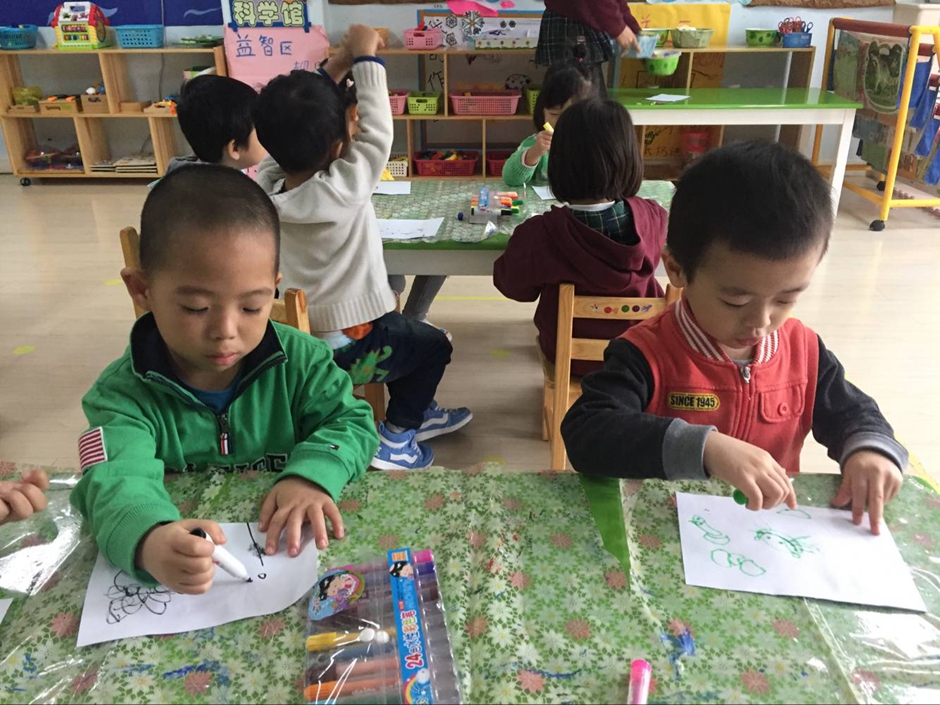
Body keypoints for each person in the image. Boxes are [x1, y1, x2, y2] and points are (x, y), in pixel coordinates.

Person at [562, 141, 907, 535]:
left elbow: (854, 413)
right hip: (664, 536)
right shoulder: (645, 353)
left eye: (785, 299)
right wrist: (706, 448)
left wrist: (870, 450)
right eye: (735, 301)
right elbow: (587, 433)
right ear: (677, 269)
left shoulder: (805, 352)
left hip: (763, 536)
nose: (760, 322)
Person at [71, 166, 379, 594]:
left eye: (252, 307)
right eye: (196, 308)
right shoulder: (121, 396)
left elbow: (352, 422)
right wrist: (148, 538)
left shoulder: (303, 362)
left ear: (273, 289)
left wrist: (312, 475)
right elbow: (111, 480)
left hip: (283, 567)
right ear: (142, 290)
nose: (225, 331)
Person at [253, 25, 471, 471]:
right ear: (337, 143)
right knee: (434, 346)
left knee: (405, 333)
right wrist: (367, 60)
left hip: (297, 342)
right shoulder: (345, 188)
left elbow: (293, 124)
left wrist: (337, 64)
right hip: (351, 343)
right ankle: (397, 438)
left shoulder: (266, 186)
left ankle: (418, 409)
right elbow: (378, 136)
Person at [494, 99, 666, 376]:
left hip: (569, 358)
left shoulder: (540, 234)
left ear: (559, 164)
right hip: (640, 355)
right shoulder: (653, 217)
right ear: (629, 158)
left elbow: (513, 287)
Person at [502, 61, 599, 188]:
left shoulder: (596, 144)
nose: (562, 121)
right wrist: (534, 153)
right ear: (541, 112)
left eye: (571, 114)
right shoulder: (537, 143)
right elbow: (510, 179)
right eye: (554, 114)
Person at [166, 75, 267, 176]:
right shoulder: (224, 185)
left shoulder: (187, 175)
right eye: (259, 128)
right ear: (235, 148)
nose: (267, 132)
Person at [536, 0, 641, 96]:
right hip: (571, 23)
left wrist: (634, 30)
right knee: (581, 101)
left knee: (588, 101)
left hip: (579, 20)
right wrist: (619, 28)